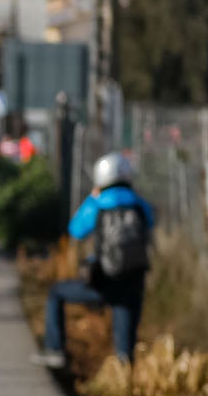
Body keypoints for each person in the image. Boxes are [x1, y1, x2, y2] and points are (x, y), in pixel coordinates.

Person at [39, 153, 155, 369]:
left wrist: (92, 198)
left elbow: (76, 230)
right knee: (124, 352)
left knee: (56, 293)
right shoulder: (139, 204)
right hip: (134, 282)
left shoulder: (99, 203)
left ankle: (55, 350)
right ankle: (124, 379)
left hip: (104, 283)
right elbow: (150, 223)